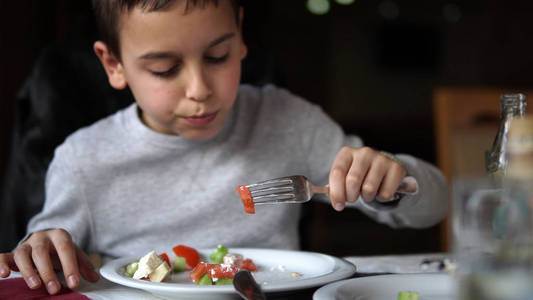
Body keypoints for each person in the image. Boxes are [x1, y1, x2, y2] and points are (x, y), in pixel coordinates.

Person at [0, 0, 448, 295]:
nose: (199, 89)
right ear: (114, 64)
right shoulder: (83, 160)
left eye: (218, 57)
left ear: (240, 35)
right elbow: (42, 257)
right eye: (164, 68)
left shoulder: (287, 121)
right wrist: (41, 249)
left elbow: (436, 205)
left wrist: (390, 180)